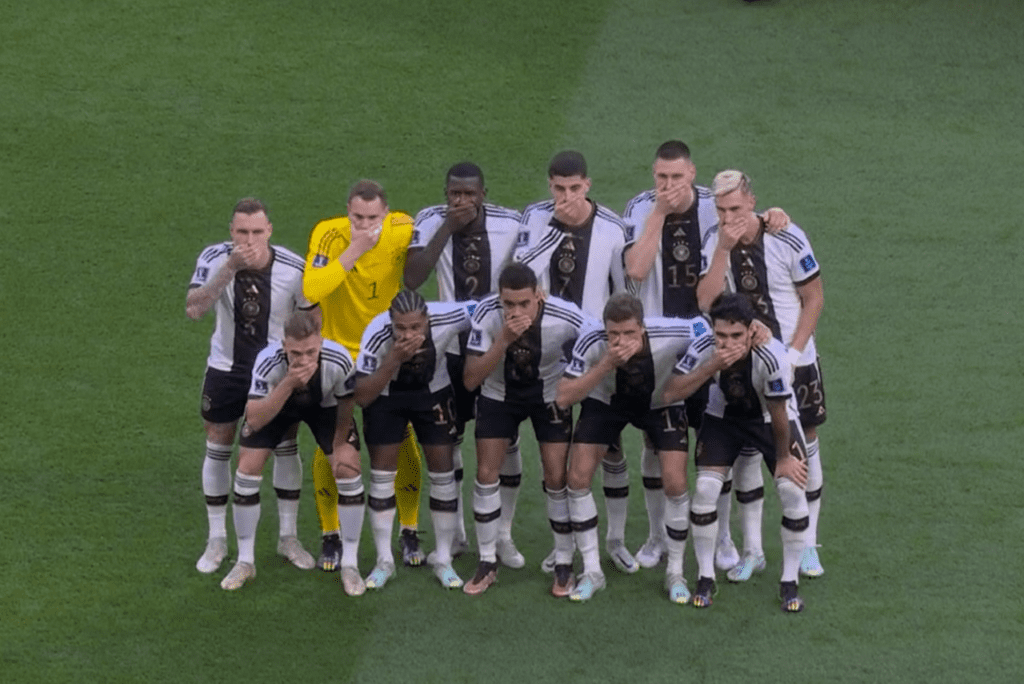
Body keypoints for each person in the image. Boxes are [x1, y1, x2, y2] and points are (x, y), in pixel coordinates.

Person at [622, 141, 791, 572]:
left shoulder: (710, 207)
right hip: (659, 341)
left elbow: (747, 220)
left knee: (718, 435)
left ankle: (724, 538)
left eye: (677, 177)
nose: (668, 185)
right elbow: (636, 270)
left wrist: (773, 215)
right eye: (661, 177)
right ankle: (658, 536)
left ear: (692, 173)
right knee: (654, 438)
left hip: (713, 336)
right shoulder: (640, 206)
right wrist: (659, 213)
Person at [697, 170, 826, 581]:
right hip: (743, 364)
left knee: (806, 448)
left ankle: (808, 545)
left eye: (735, 208)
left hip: (796, 361)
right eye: (720, 210)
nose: (728, 216)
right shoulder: (715, 241)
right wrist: (722, 249)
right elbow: (705, 300)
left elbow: (814, 298)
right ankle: (753, 550)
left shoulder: (787, 236)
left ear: (751, 202)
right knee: (749, 453)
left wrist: (790, 355)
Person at [514, 150, 638, 576]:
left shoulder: (613, 228)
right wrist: (553, 225)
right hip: (548, 354)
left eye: (574, 188)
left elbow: (625, 294)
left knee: (611, 449)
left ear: (587, 185)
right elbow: (522, 274)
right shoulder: (533, 217)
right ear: (550, 186)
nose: (565, 196)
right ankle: (562, 545)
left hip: (598, 351)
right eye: (558, 188)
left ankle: (616, 541)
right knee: (558, 452)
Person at [405, 162, 526, 568]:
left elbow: (526, 279)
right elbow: (412, 277)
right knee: (449, 442)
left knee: (505, 442)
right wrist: (446, 230)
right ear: (445, 194)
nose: (461, 201)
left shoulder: (511, 224)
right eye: (453, 194)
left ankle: (504, 534)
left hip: (495, 351)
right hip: (448, 353)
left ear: (483, 194)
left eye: (469, 194)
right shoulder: (429, 220)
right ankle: (454, 531)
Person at [186, 198, 316, 576]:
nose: (249, 239)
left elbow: (311, 319)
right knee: (218, 443)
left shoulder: (293, 268)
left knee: (285, 444)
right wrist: (229, 269)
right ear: (231, 232)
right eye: (242, 232)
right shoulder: (214, 258)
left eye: (257, 232)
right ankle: (217, 539)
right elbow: (194, 309)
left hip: (275, 371)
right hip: (226, 368)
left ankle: (288, 537)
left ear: (270, 230)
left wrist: (302, 364)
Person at [555, 294, 713, 602]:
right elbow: (563, 397)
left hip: (659, 402)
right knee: (577, 477)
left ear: (642, 328)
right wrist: (606, 364)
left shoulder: (670, 332)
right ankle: (592, 570)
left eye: (628, 333)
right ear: (604, 329)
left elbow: (704, 328)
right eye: (613, 333)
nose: (620, 340)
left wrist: (755, 331)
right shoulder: (592, 341)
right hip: (607, 403)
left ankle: (675, 572)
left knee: (676, 483)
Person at [303, 180, 427, 570]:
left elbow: (424, 265)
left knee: (400, 436)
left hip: (383, 351)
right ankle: (331, 533)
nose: (365, 224)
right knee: (331, 443)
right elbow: (311, 289)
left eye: (373, 218)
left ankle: (409, 529)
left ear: (386, 214)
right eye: (357, 217)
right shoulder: (329, 233)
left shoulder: (403, 228)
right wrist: (356, 248)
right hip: (336, 353)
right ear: (347, 211)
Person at [663, 293, 809, 612]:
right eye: (721, 335)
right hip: (724, 415)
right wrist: (711, 366)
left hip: (770, 419)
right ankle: (705, 577)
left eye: (736, 336)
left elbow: (779, 412)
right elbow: (671, 392)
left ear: (751, 329)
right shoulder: (704, 348)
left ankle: (789, 582)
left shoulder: (770, 356)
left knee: (792, 490)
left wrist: (783, 458)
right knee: (705, 489)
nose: (727, 342)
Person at [461, 263, 586, 596]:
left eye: (523, 304)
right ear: (499, 298)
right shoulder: (487, 315)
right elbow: (472, 378)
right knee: (487, 472)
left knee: (556, 476)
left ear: (538, 296)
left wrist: (574, 379)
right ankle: (487, 562)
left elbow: (595, 338)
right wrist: (503, 338)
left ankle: (563, 562)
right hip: (499, 393)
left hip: (547, 394)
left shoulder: (565, 315)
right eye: (508, 304)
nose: (515, 311)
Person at [220, 311, 365, 594]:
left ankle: (350, 564)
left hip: (325, 407)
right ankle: (246, 560)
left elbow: (347, 404)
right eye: (296, 352)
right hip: (277, 404)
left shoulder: (339, 360)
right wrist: (288, 382)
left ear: (321, 343)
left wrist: (338, 444)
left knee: (348, 469)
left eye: (311, 351)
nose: (303, 359)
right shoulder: (268, 360)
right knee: (247, 468)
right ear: (284, 345)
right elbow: (254, 419)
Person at [353, 291, 471, 590]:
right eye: (401, 328)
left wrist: (540, 297)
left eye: (416, 327)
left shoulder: (448, 316)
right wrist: (394, 358)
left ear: (427, 321)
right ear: (390, 323)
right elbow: (363, 396)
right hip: (386, 396)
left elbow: (485, 306)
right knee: (381, 475)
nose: (408, 334)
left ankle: (443, 559)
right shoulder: (376, 334)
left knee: (443, 472)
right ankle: (384, 561)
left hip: (433, 392)